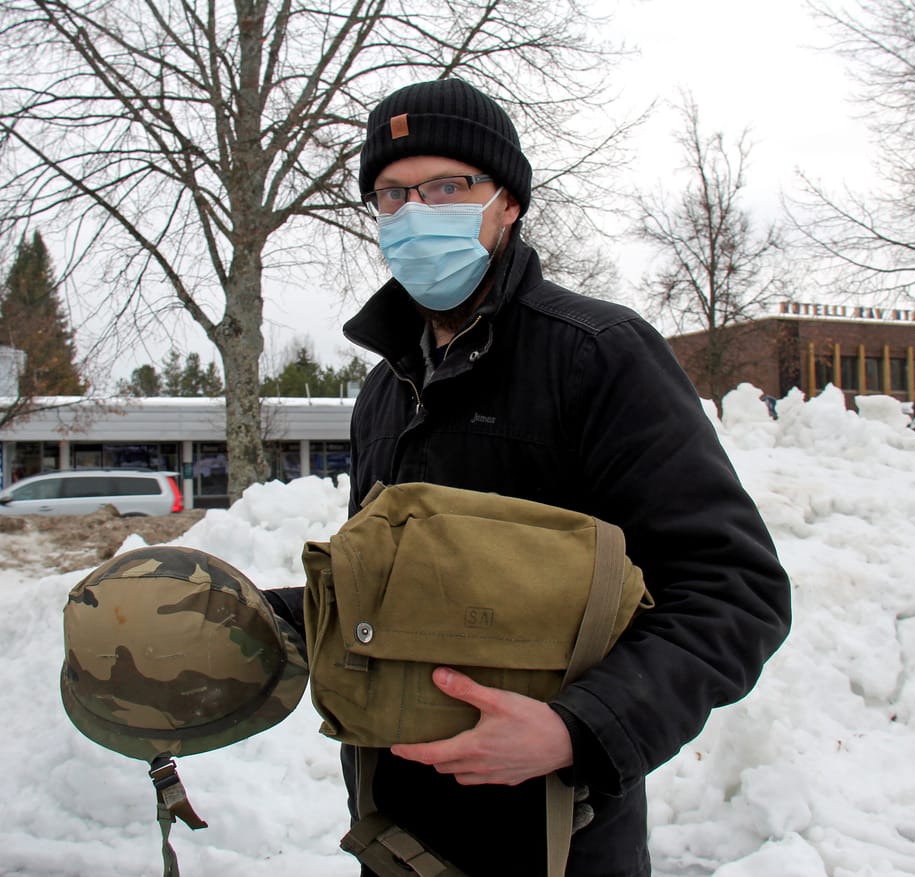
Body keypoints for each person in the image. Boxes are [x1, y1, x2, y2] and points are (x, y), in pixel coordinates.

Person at [264, 78, 791, 877]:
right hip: (394, 837)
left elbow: (732, 589)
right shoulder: (383, 391)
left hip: (556, 842)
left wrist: (576, 729)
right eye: (392, 195)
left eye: (447, 187)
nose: (414, 214)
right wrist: (248, 620)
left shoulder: (596, 355)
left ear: (507, 202)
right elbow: (395, 597)